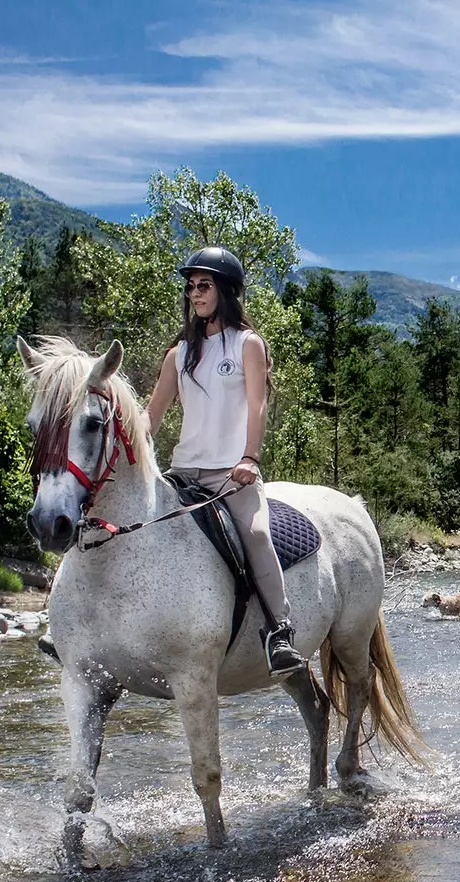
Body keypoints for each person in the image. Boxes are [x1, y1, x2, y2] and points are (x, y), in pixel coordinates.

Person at [145, 246, 306, 676]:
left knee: (255, 534)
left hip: (231, 474)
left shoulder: (248, 344)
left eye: (203, 285)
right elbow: (153, 413)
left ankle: (279, 633)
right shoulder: (179, 354)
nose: (194, 294)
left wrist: (250, 456)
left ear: (225, 291)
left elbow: (257, 405)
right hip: (182, 472)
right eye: (190, 286)